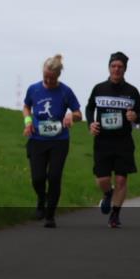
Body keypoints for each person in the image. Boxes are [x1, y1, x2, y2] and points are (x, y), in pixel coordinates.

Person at [85, 52, 140, 229]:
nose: (116, 69)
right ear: (109, 68)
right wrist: (91, 124)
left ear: (125, 69)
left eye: (120, 66)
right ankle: (107, 193)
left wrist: (135, 115)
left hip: (123, 142)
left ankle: (115, 215)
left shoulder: (132, 91)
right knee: (102, 179)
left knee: (121, 180)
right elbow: (89, 108)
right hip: (103, 141)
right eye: (113, 66)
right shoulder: (99, 88)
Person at [22, 54, 82, 228]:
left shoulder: (65, 91)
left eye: (52, 78)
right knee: (37, 178)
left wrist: (72, 116)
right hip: (37, 139)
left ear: (58, 76)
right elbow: (26, 107)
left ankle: (50, 215)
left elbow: (79, 113)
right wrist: (27, 122)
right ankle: (42, 199)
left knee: (54, 177)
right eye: (45, 77)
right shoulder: (33, 89)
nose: (48, 81)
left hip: (59, 141)